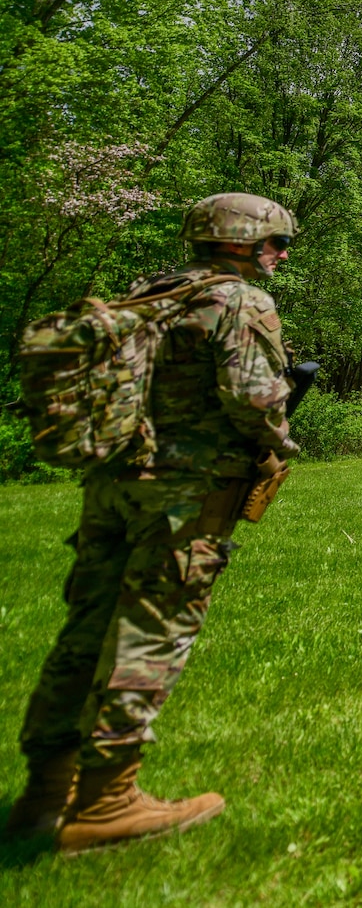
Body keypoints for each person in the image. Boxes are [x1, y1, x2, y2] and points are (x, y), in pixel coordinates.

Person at [7, 193, 302, 853]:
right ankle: (107, 799)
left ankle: (47, 792)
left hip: (115, 483)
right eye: (275, 243)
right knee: (150, 631)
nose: (280, 255)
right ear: (241, 242)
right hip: (183, 496)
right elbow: (253, 398)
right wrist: (276, 446)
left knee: (86, 631)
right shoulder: (237, 299)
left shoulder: (153, 293)